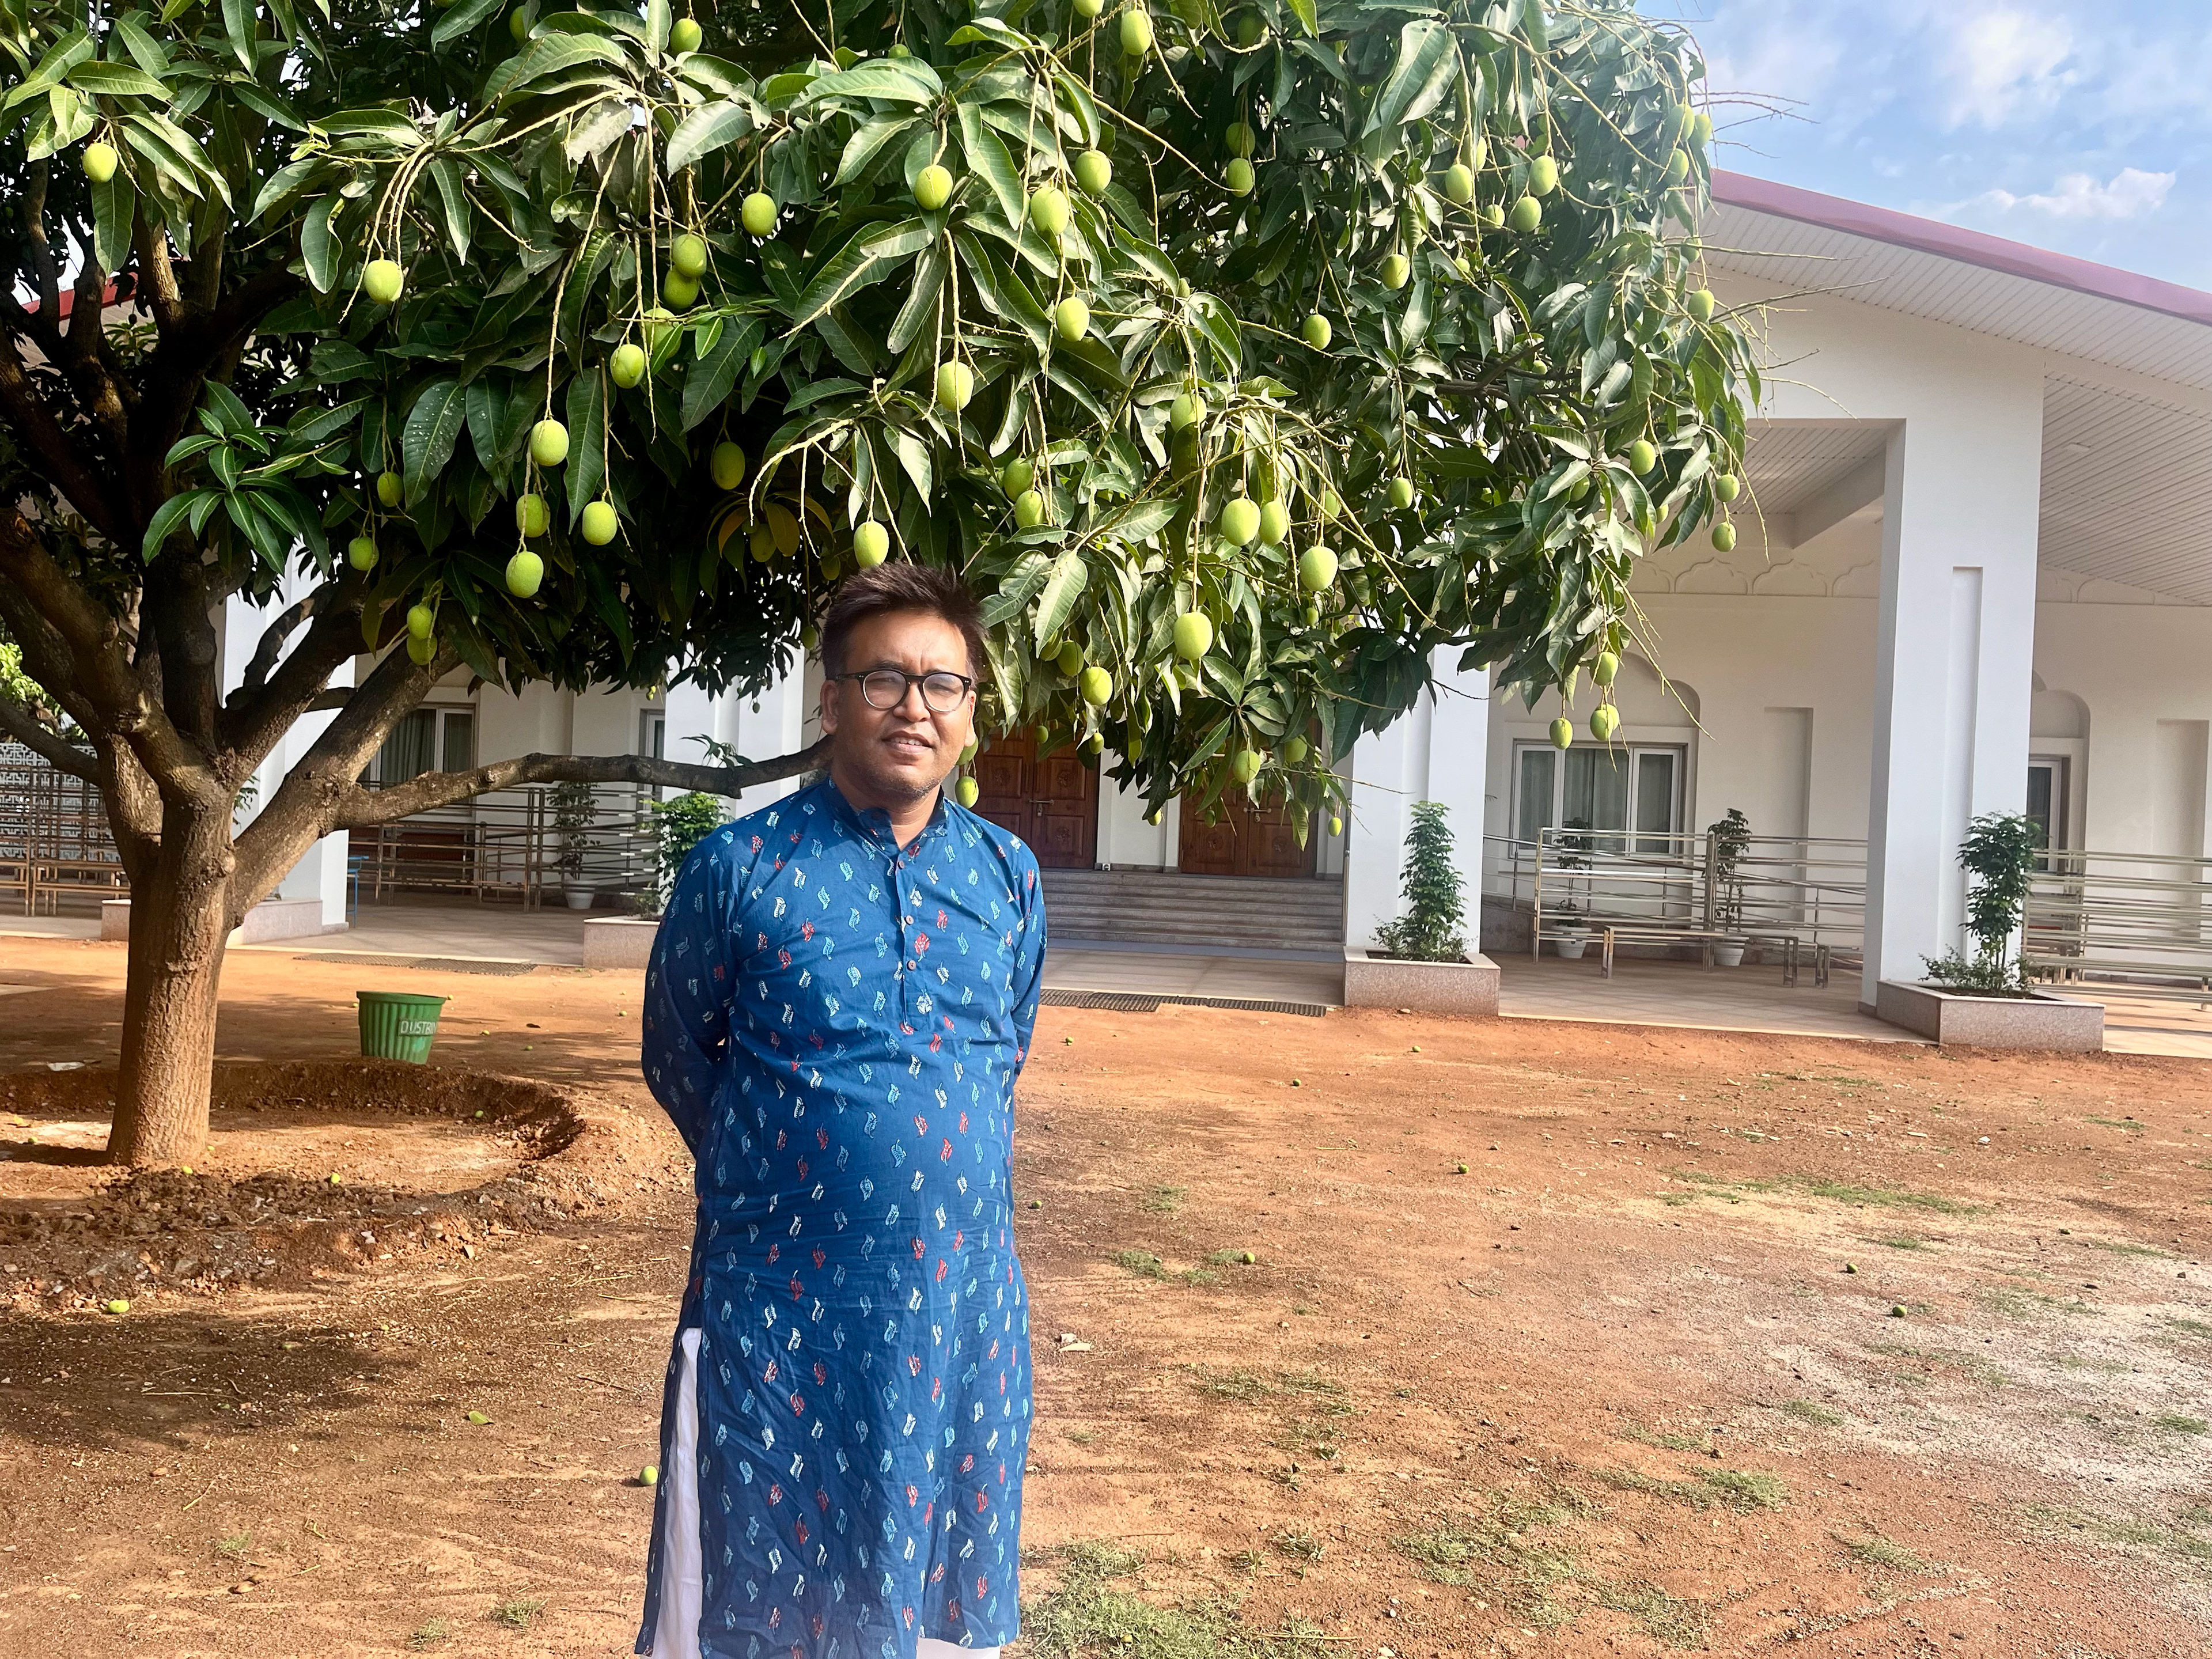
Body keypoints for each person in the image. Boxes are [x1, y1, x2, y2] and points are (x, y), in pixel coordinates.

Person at [635, 563, 1047, 1659]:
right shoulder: (741, 866)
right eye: (885, 679)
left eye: (944, 684)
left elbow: (999, 1055)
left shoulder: (1009, 876)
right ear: (830, 702)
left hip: (959, 1304)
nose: (915, 705)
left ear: (969, 711)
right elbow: (678, 1053)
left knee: (931, 1591)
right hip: (779, 1308)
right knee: (762, 1587)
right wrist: (791, 1172)